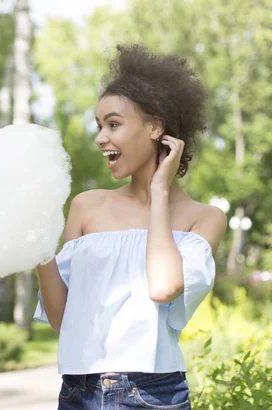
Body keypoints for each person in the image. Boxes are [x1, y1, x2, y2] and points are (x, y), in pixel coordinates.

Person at [35, 44, 227, 409]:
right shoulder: (85, 207)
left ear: (156, 126)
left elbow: (164, 286)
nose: (100, 138)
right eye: (99, 126)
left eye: (113, 124)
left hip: (152, 393)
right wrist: (38, 242)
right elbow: (63, 321)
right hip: (78, 391)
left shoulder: (204, 217)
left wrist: (158, 192)